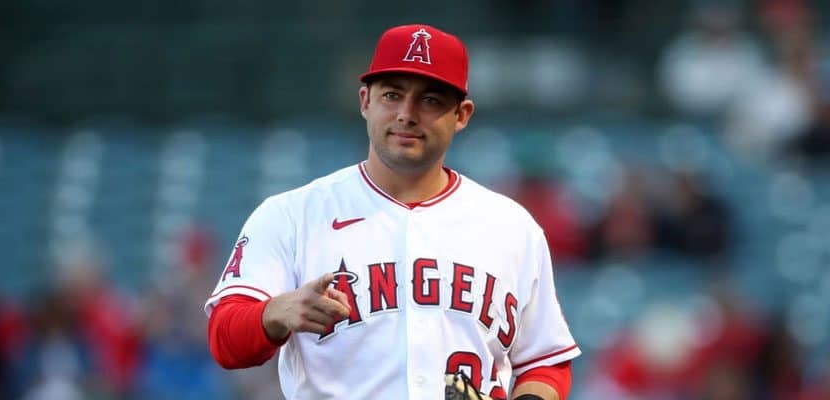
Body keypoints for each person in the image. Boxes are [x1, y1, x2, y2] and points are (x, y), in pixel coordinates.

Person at [204, 24, 580, 399]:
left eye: (430, 100)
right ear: (365, 101)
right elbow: (225, 341)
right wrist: (275, 313)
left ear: (462, 115)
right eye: (392, 95)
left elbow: (545, 362)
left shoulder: (511, 227)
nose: (406, 114)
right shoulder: (292, 215)